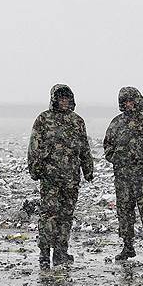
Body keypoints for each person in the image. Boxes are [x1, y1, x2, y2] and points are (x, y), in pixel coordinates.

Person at [28, 84, 93, 268]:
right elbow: (34, 146)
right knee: (49, 215)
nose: (64, 101)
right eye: (61, 98)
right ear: (55, 100)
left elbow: (84, 147)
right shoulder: (44, 119)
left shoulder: (77, 121)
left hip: (71, 178)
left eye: (67, 98)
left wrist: (88, 169)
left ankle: (61, 252)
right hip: (50, 177)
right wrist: (34, 168)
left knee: (66, 216)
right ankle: (44, 252)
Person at [104, 86, 143, 260]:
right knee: (124, 211)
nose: (129, 104)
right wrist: (117, 157)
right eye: (125, 102)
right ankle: (127, 246)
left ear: (138, 101)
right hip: (123, 177)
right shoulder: (116, 123)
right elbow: (107, 146)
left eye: (131, 101)